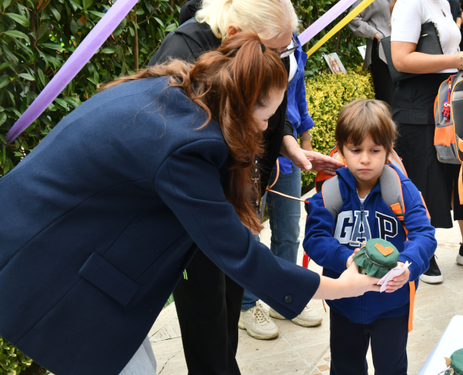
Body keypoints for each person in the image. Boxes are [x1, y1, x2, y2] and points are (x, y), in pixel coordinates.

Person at [0, 32, 379, 375]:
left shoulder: (175, 88)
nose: (265, 129)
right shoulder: (189, 146)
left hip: (53, 239)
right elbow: (240, 255)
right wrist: (341, 286)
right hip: (45, 262)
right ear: (244, 104)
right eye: (265, 117)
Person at [148, 0, 343, 372]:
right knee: (207, 311)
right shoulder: (182, 57)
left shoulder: (253, 49)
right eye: (274, 50)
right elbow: (174, 151)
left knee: (230, 300)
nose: (278, 59)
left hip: (236, 194)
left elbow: (269, 110)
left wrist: (286, 141)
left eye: (286, 50)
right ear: (236, 35)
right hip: (198, 207)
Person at [303, 99, 437, 375]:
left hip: (392, 305)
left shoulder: (401, 189)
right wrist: (345, 257)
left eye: (374, 150)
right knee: (345, 366)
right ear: (341, 150)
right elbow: (315, 238)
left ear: (388, 151)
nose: (365, 159)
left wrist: (407, 265)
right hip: (344, 304)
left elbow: (424, 234)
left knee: (391, 367)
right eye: (355, 150)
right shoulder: (330, 192)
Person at [389, 0, 463, 285]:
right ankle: (421, 251)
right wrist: (456, 60)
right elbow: (401, 59)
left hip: (447, 99)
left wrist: (461, 55)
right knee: (423, 179)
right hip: (418, 105)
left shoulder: (446, 2)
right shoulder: (410, 4)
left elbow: (442, 50)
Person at [238, 31, 323, 340]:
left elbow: (296, 93)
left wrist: (305, 137)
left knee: (289, 230)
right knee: (250, 233)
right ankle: (247, 306)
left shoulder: (294, 42)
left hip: (286, 151)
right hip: (252, 152)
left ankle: (285, 298)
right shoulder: (249, 44)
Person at [348, 0, 393, 106]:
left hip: (407, 52)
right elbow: (353, 17)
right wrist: (375, 34)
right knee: (388, 103)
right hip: (383, 54)